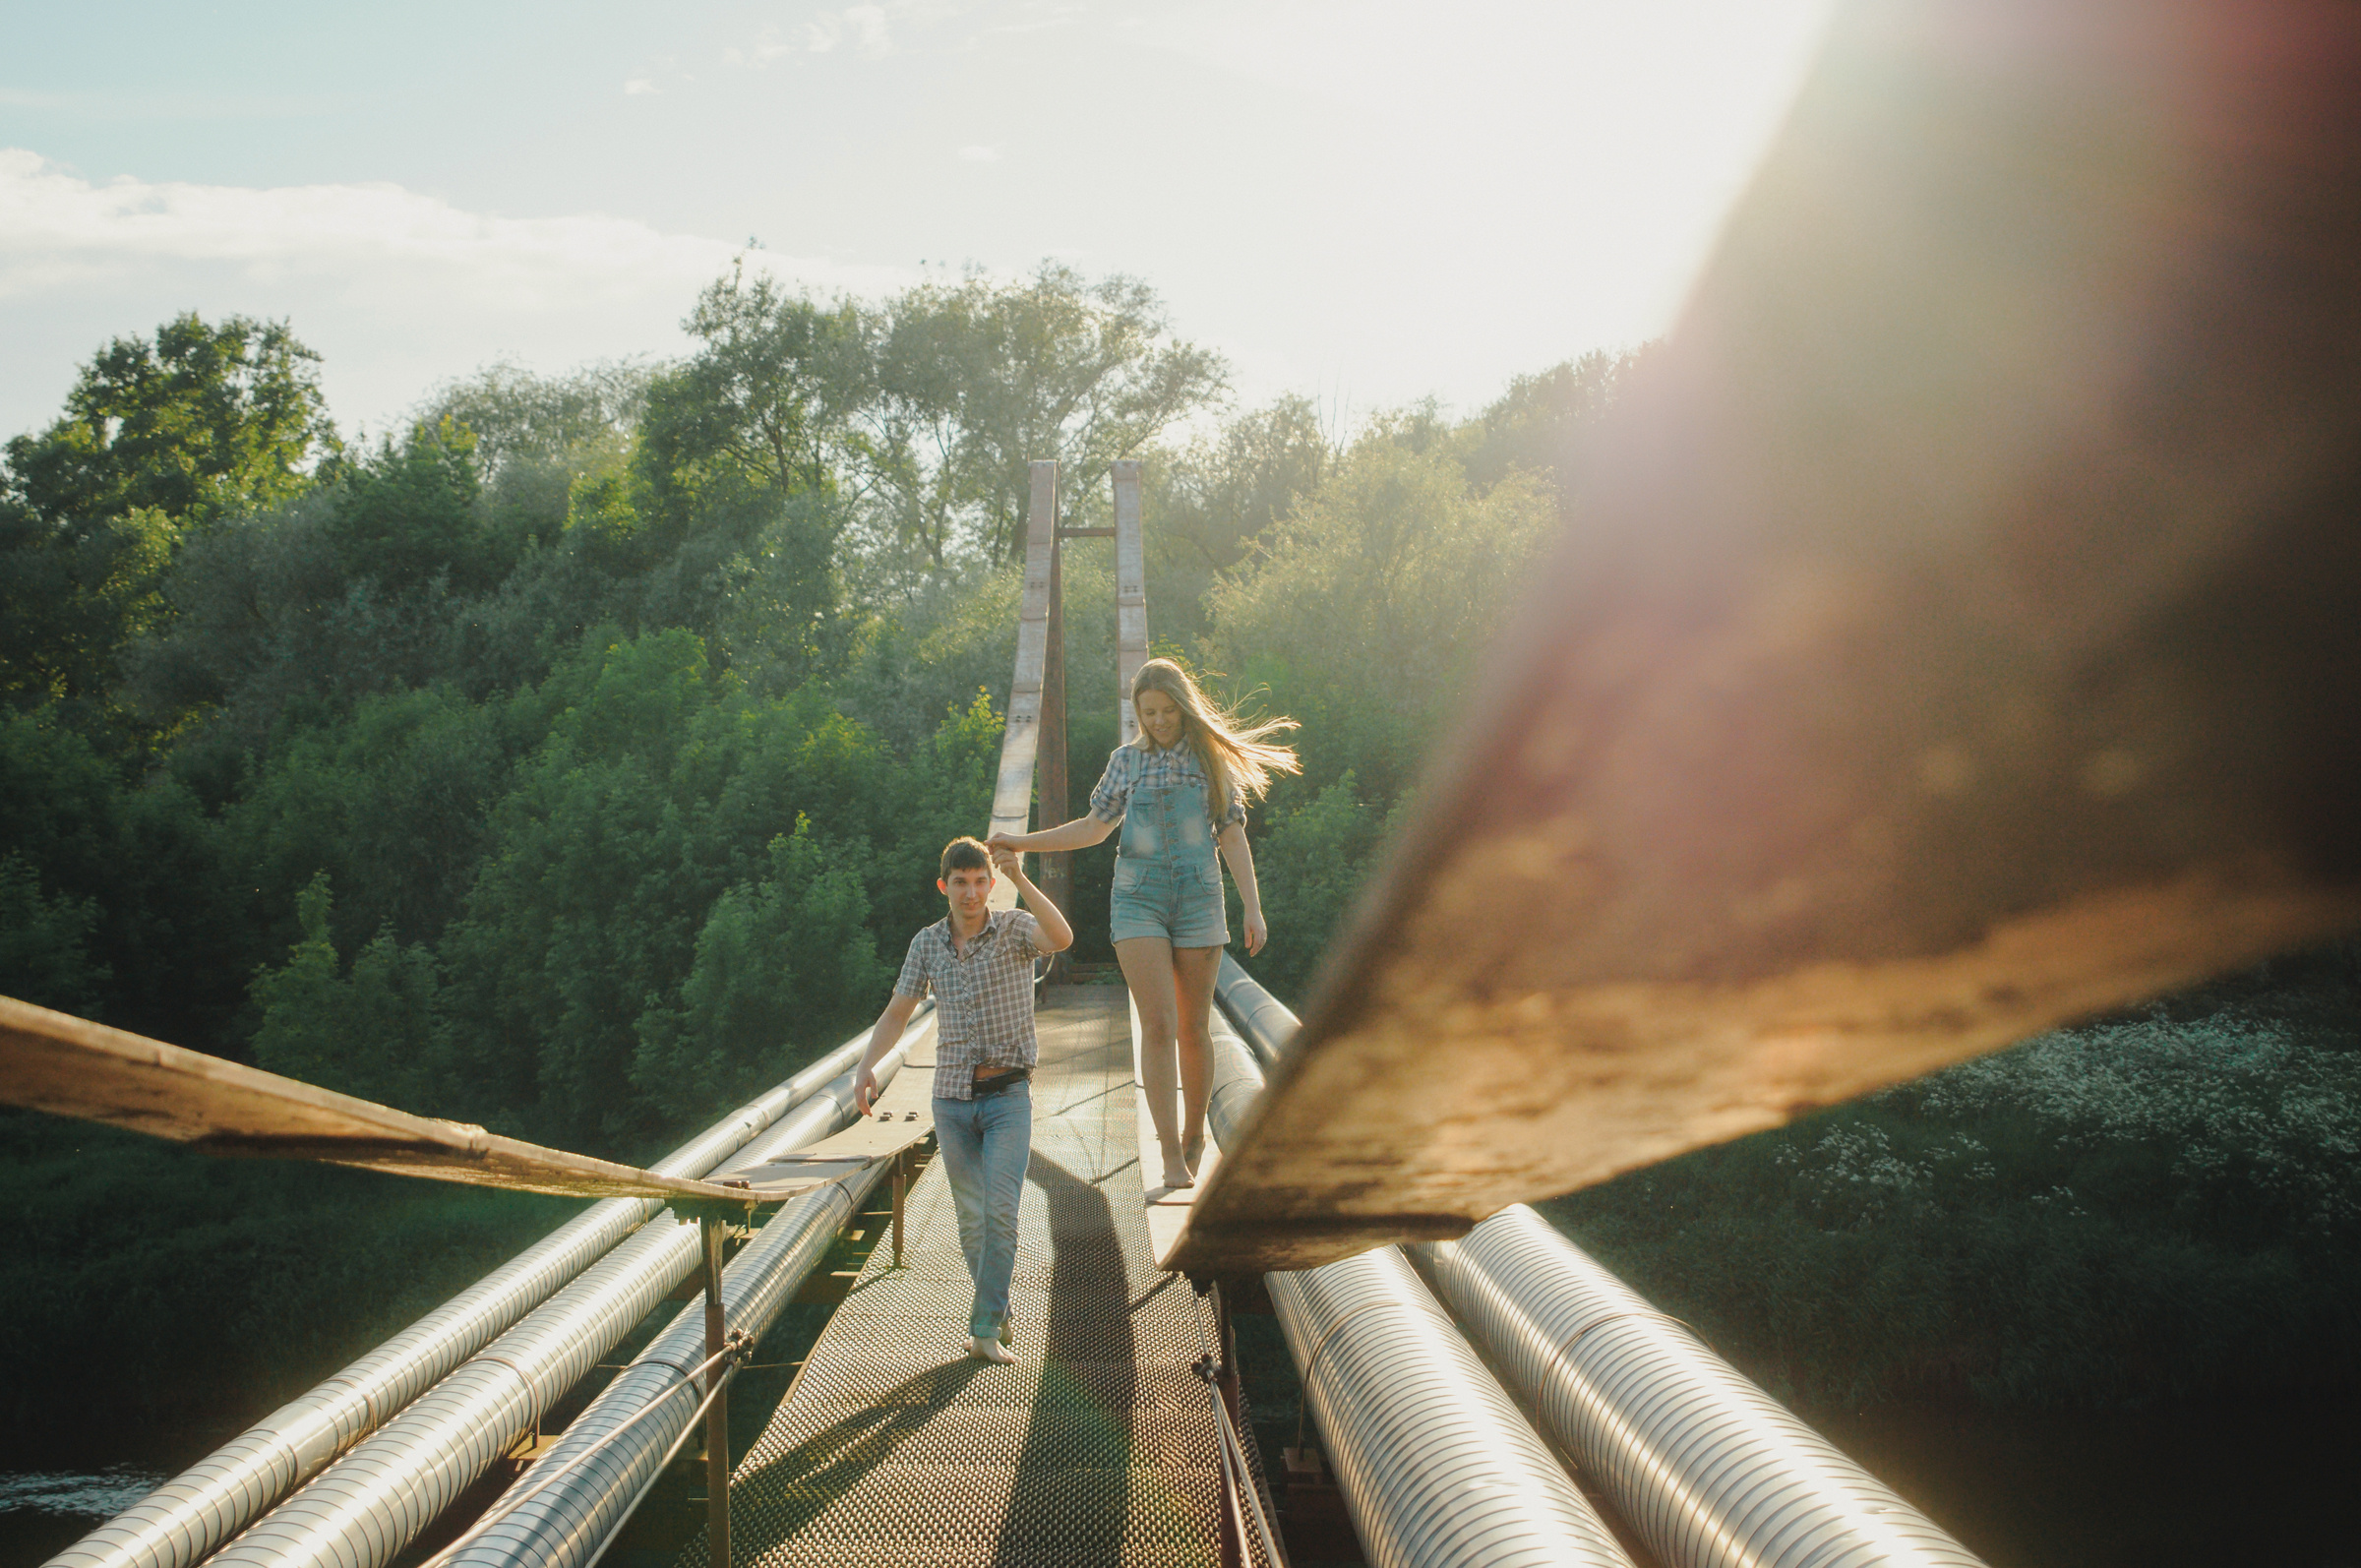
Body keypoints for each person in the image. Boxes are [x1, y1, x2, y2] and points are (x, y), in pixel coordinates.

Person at [989, 658, 1298, 1192]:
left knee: (1193, 1028)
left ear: (1183, 704)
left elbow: (1230, 833)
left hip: (1201, 898)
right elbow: (1092, 829)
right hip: (1138, 900)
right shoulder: (1125, 762)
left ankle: (1195, 1133)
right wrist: (1022, 842)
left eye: (1166, 710)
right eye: (1147, 712)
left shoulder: (1210, 761)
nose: (1157, 720)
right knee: (1157, 1024)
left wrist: (1252, 905)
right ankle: (1171, 1154)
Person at [853, 835, 1071, 1363]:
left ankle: (983, 1329)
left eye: (980, 882)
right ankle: (999, 1311)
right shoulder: (926, 944)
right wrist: (866, 1068)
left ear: (990, 885)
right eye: (960, 883)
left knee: (1001, 1212)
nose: (971, 893)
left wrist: (1020, 876)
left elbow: (1062, 937)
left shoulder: (1017, 928)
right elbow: (897, 1013)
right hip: (950, 1101)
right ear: (943, 887)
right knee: (972, 1221)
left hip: (1007, 1098)